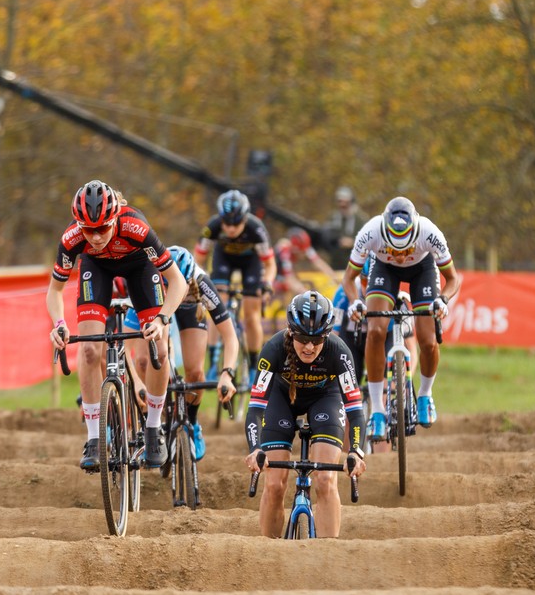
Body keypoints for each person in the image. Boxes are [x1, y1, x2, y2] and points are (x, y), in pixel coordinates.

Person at [47, 180, 187, 470]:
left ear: (115, 217)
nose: (96, 237)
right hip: (96, 269)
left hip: (140, 267)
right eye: (89, 230)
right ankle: (94, 438)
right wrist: (59, 323)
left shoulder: (136, 227)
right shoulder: (72, 238)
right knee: (89, 351)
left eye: (103, 228)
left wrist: (162, 319)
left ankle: (153, 428)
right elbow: (55, 291)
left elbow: (178, 281)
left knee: (159, 349)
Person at [244, 290, 366, 539]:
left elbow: (355, 410)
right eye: (302, 338)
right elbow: (256, 407)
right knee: (274, 484)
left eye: (317, 339)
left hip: (325, 399)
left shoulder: (340, 352)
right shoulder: (273, 349)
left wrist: (356, 451)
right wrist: (255, 449)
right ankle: (267, 553)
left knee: (325, 480)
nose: (309, 347)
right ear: (290, 332)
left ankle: (327, 553)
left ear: (327, 335)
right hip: (281, 399)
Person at [342, 196, 462, 433]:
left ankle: (425, 395)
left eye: (406, 249)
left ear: (414, 233)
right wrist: (355, 302)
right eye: (392, 249)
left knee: (428, 340)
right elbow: (348, 278)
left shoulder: (429, 232)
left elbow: (453, 278)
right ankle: (377, 410)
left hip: (422, 271)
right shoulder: (370, 232)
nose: (399, 256)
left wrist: (443, 300)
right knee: (375, 331)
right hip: (384, 270)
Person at [120, 245, 240, 461]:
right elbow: (125, 344)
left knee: (195, 371)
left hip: (190, 309)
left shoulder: (202, 283)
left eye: (178, 285)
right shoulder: (146, 280)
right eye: (167, 285)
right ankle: (151, 425)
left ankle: (192, 423)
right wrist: (136, 381)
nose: (173, 291)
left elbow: (230, 336)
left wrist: (227, 373)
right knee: (144, 361)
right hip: (154, 305)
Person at [195, 189, 276, 374]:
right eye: (226, 223)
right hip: (223, 260)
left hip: (251, 263)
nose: (231, 228)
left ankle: (254, 365)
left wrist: (267, 284)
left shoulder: (256, 228)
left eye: (236, 223)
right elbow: (198, 259)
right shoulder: (212, 227)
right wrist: (200, 280)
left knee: (251, 315)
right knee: (216, 304)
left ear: (245, 219)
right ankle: (213, 361)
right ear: (220, 219)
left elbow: (270, 264)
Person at [273, 227, 337, 299]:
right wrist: (306, 293)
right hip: (277, 274)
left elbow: (318, 262)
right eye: (302, 252)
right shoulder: (285, 252)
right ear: (295, 250)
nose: (304, 254)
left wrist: (333, 276)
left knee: (309, 283)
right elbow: (289, 278)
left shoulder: (304, 247)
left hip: (289, 272)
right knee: (284, 288)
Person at [321, 186, 363, 269]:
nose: (342, 204)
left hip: (354, 265)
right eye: (340, 202)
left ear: (351, 202)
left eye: (345, 202)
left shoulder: (360, 220)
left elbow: (368, 242)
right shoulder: (332, 218)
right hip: (335, 264)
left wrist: (353, 242)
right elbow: (324, 238)